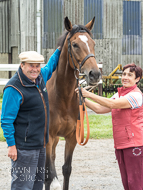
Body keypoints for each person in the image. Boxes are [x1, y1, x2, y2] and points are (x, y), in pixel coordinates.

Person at [75, 63, 143, 190]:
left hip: (134, 144)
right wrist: (80, 97)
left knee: (136, 184)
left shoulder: (136, 95)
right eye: (123, 74)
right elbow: (100, 109)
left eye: (130, 75)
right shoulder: (120, 94)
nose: (125, 77)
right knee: (127, 183)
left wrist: (88, 94)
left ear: (137, 79)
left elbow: (112, 104)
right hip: (121, 144)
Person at [1, 47, 61, 190]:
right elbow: (6, 120)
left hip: (41, 146)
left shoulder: (40, 79)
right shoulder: (14, 88)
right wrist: (11, 145)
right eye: (31, 66)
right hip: (24, 149)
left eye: (37, 66)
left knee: (37, 185)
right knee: (22, 186)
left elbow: (51, 65)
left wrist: (61, 48)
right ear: (22, 65)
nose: (35, 69)